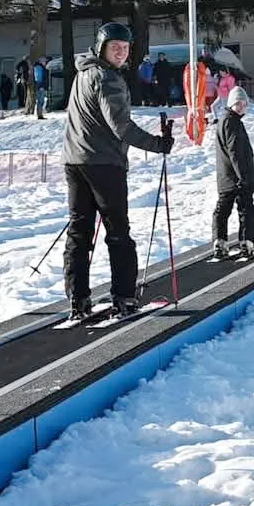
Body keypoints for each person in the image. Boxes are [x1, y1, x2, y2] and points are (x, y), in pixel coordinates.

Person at [62, 22, 173, 320]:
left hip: (75, 161)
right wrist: (157, 144)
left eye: (125, 48)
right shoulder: (107, 78)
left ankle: (77, 299)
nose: (121, 53)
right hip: (103, 164)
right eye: (115, 48)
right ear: (102, 48)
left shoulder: (83, 73)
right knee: (118, 232)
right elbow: (121, 127)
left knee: (79, 232)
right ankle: (124, 297)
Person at [212, 86, 254, 259]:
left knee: (223, 209)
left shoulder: (224, 121)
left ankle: (220, 242)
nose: (241, 107)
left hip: (226, 175)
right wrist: (243, 176)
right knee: (245, 209)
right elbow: (235, 152)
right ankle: (246, 243)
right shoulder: (233, 122)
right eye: (238, 104)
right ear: (231, 104)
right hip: (237, 176)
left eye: (244, 104)